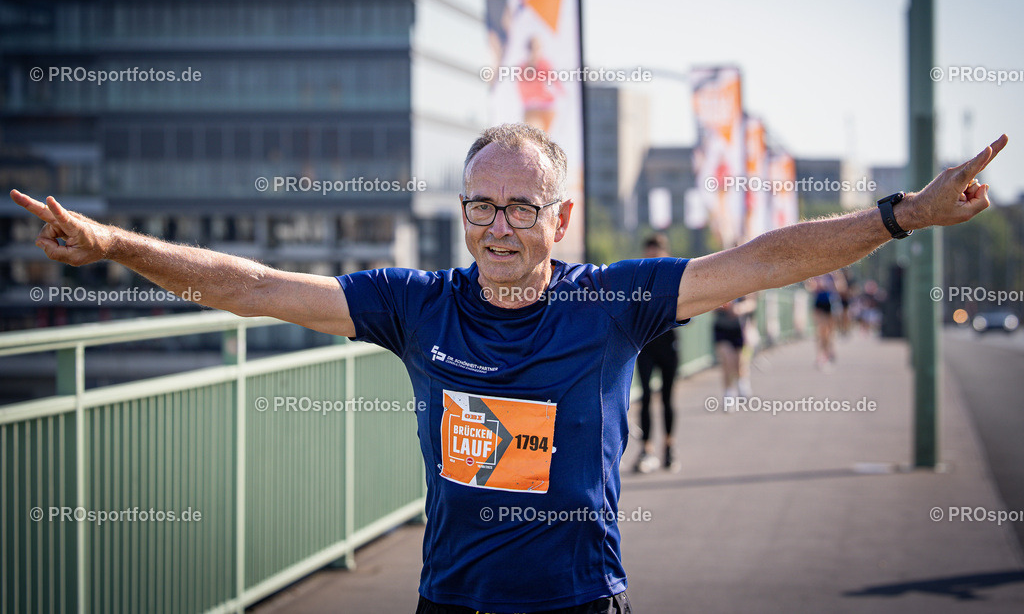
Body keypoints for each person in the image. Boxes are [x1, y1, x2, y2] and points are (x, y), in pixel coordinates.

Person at [10, 125, 1007, 613]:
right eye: (480, 205)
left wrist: (900, 215)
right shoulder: (415, 302)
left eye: (521, 206)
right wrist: (113, 242)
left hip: (579, 600)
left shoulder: (610, 299)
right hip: (448, 600)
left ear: (559, 219)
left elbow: (760, 259)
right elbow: (257, 284)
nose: (497, 224)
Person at [633, 233, 679, 473]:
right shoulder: (638, 278)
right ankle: (646, 450)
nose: (652, 263)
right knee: (646, 398)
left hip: (669, 344)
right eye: (648, 258)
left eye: (657, 258)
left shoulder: (675, 277)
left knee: (668, 398)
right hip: (646, 346)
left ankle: (669, 449)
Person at [713, 295, 757, 409]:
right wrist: (722, 306)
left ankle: (742, 382)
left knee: (740, 363)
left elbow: (752, 303)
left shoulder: (743, 283)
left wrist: (739, 308)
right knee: (727, 361)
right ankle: (729, 393)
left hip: (739, 329)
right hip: (722, 328)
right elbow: (707, 305)